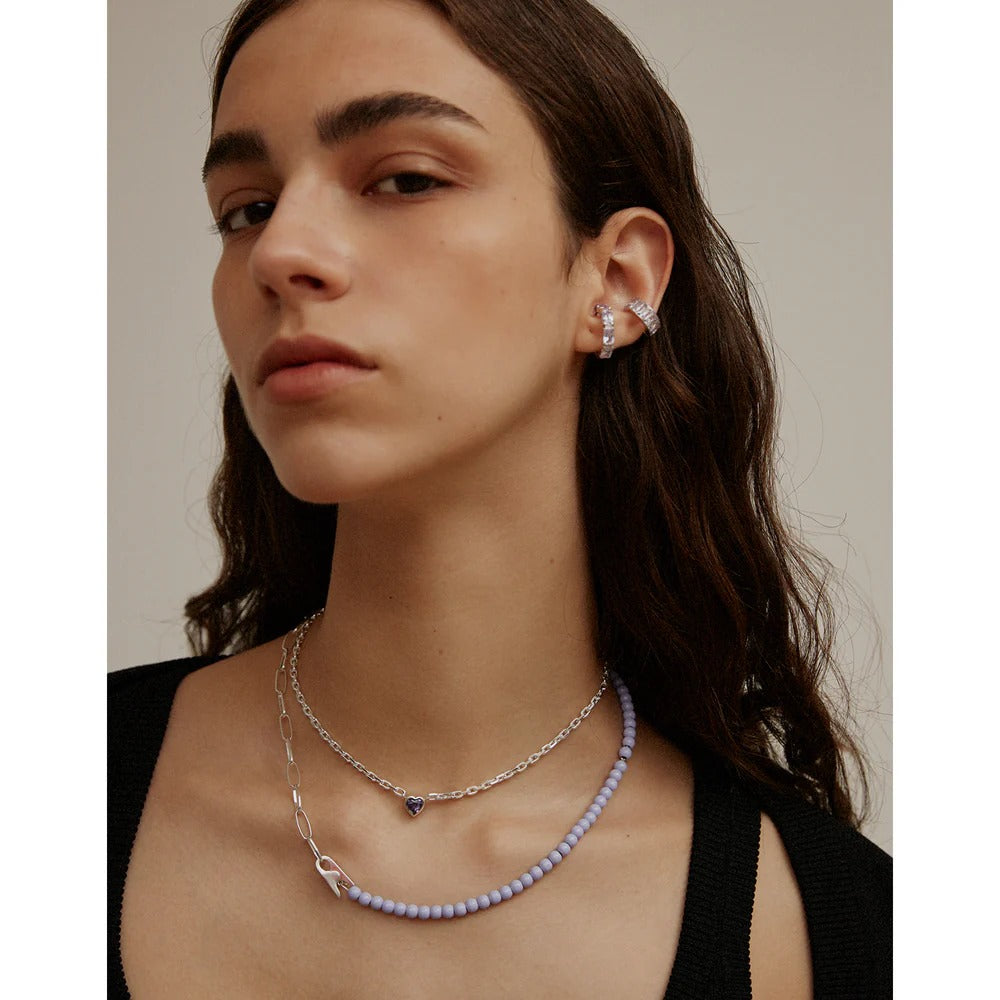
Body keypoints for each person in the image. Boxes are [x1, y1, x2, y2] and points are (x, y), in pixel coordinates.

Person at [108, 0, 891, 996]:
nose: (277, 253)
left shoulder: (841, 933)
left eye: (405, 179)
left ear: (617, 280)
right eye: (246, 208)